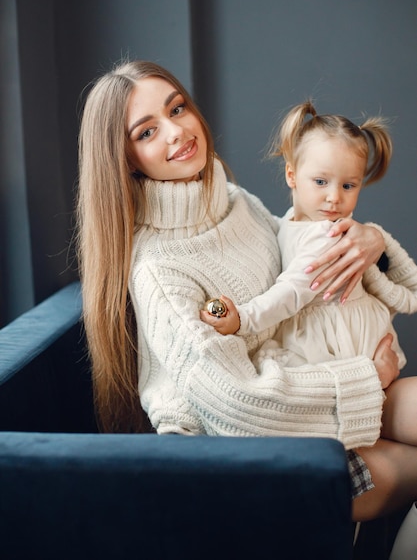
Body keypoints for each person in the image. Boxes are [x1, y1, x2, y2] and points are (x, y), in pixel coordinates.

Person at [76, 59, 417, 524]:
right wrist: (367, 379)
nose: (175, 132)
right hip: (246, 459)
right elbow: (237, 404)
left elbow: (300, 248)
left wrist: (371, 240)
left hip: (310, 399)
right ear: (123, 158)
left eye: (177, 110)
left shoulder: (235, 202)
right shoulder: (158, 269)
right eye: (146, 132)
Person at [200, 101, 417, 377]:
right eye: (321, 182)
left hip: (338, 336)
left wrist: (243, 318)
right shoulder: (290, 221)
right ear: (292, 175)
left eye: (348, 185)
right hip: (320, 327)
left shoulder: (327, 235)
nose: (335, 197)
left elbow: (292, 291)